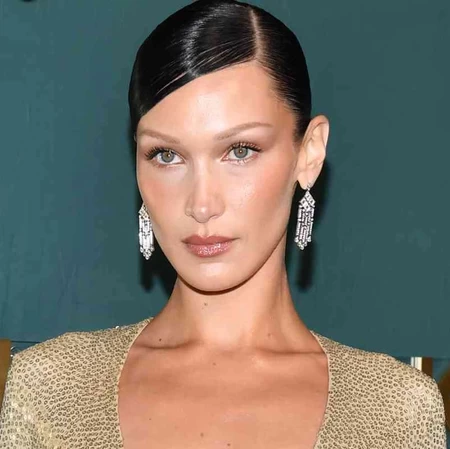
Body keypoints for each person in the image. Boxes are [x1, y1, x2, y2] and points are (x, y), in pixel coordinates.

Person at [0, 0, 446, 447]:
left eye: (240, 151)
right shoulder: (51, 391)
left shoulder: (394, 413)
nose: (202, 204)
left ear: (309, 153)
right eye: (167, 155)